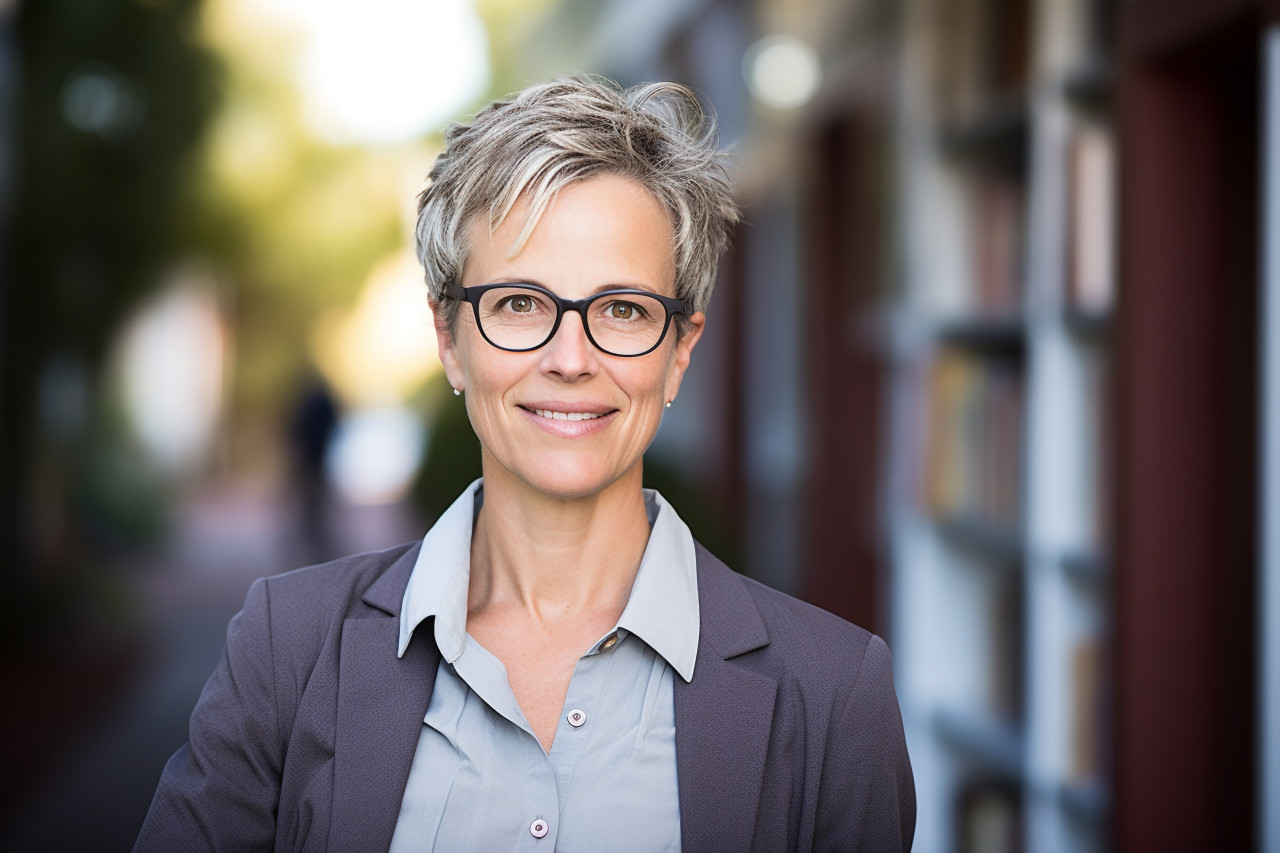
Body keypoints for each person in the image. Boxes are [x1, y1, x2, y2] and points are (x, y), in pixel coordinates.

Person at [135, 77, 915, 852]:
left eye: (622, 309)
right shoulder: (285, 647)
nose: (570, 358)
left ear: (679, 351)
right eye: (519, 304)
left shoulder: (835, 695)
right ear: (449, 338)